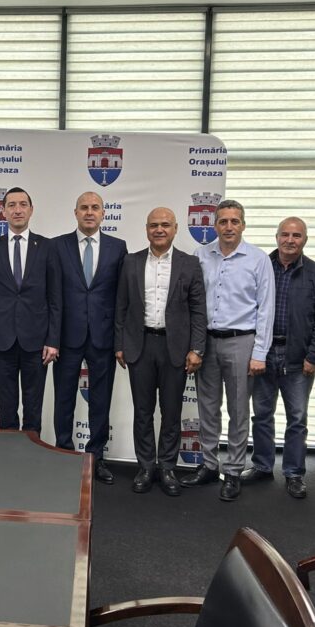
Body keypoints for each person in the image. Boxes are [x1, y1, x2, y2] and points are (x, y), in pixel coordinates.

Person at [185, 199, 273, 501]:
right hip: (206, 342)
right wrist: (194, 345)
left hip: (242, 341)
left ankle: (233, 470)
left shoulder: (258, 259)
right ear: (215, 225)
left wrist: (260, 353)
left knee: (238, 409)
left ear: (243, 225)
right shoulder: (200, 256)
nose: (229, 226)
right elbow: (193, 303)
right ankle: (209, 465)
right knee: (207, 408)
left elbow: (266, 309)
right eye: (223, 221)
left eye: (235, 221)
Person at [241, 218, 315, 499]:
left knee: (297, 418)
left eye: (296, 235)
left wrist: (314, 355)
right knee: (261, 414)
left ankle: (294, 473)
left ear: (305, 240)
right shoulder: (261, 266)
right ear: (276, 237)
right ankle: (262, 465)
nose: (290, 240)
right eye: (285, 234)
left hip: (298, 357)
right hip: (263, 353)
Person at [115, 207, 206, 496]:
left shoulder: (189, 264)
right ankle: (145, 467)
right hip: (140, 345)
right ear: (146, 229)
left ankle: (167, 467)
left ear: (175, 228)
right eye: (154, 225)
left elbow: (198, 310)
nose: (159, 229)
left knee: (171, 411)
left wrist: (197, 348)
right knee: (143, 411)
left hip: (174, 347)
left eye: (165, 225)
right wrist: (119, 345)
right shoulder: (131, 262)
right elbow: (121, 306)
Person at [53, 192, 127, 484]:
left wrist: (120, 341)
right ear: (75, 212)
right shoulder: (58, 246)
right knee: (63, 399)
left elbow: (121, 298)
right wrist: (52, 338)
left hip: (103, 337)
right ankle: (64, 454)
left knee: (100, 401)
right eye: (84, 207)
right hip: (66, 336)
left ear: (103, 213)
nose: (89, 212)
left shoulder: (117, 247)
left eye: (95, 207)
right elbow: (52, 296)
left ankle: (97, 457)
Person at [0, 187, 61, 433]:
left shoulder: (47, 247)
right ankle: (8, 454)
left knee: (33, 409)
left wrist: (53, 340)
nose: (17, 210)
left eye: (23, 204)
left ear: (31, 210)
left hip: (37, 342)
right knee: (6, 410)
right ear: (3, 212)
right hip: (1, 343)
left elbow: (55, 299)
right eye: (11, 205)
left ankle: (31, 453)